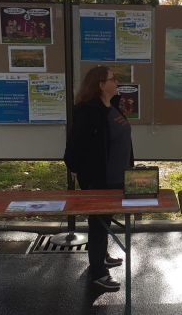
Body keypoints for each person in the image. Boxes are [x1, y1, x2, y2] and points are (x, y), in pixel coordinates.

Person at [64, 65, 134, 290]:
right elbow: (75, 145)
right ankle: (98, 272)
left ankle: (101, 256)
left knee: (104, 220)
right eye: (113, 80)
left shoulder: (111, 106)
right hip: (99, 177)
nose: (117, 83)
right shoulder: (88, 111)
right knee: (98, 222)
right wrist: (74, 167)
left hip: (116, 175)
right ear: (101, 85)